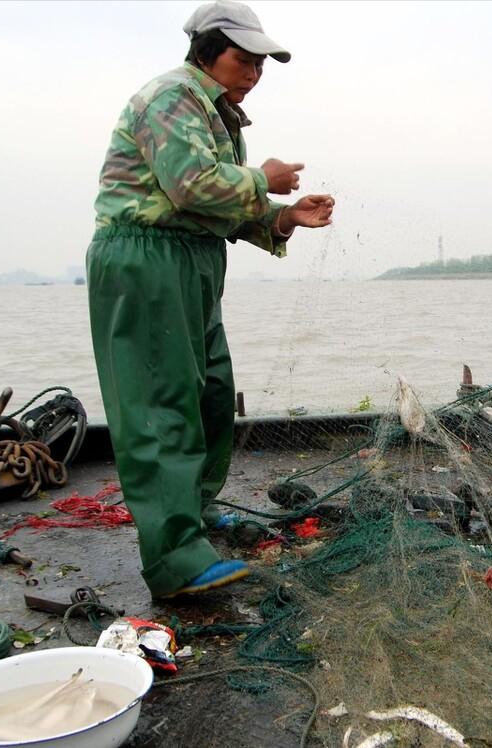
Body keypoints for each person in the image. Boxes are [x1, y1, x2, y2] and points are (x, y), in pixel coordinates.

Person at [86, 0, 335, 598]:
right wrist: (264, 180)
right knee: (162, 402)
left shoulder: (214, 113)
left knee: (210, 393)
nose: (253, 72)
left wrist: (282, 218)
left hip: (191, 259)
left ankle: (193, 516)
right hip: (146, 259)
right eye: (243, 59)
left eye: (261, 64)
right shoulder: (172, 96)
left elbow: (211, 209)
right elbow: (191, 184)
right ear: (205, 52)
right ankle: (174, 560)